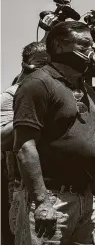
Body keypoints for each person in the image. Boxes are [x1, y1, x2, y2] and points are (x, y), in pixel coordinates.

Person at [13, 22, 95, 244]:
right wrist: (42, 202)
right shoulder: (37, 83)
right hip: (52, 200)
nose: (91, 52)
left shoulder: (87, 90)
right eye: (84, 45)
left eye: (92, 45)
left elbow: (89, 140)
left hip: (85, 200)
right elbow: (25, 147)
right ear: (58, 44)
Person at [2, 42, 48, 245]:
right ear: (26, 66)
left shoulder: (69, 91)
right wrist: (31, 111)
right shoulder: (12, 94)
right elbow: (2, 138)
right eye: (41, 64)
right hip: (26, 188)